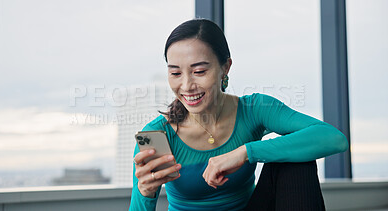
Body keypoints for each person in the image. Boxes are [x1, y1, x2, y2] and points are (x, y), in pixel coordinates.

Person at [129, 19, 348, 211]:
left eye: (199, 72)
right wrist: (145, 192)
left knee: (296, 158)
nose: (186, 85)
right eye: (175, 73)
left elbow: (334, 138)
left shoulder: (254, 108)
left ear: (225, 67)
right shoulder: (155, 134)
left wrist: (245, 152)